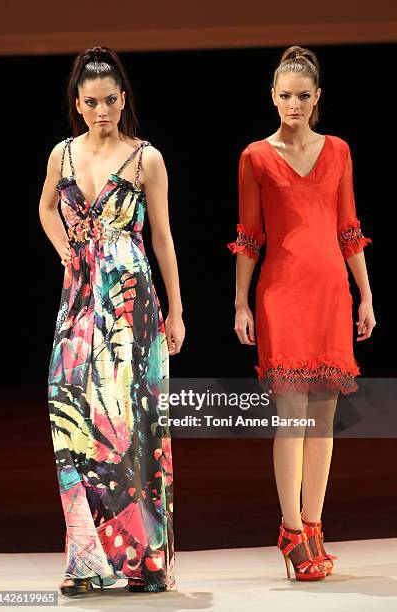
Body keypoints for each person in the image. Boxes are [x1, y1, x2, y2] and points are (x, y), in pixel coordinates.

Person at [39, 46, 185, 596]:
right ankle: (86, 560)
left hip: (130, 304)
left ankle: (144, 560)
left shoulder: (146, 157)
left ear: (123, 100)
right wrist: (65, 252)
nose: (101, 111)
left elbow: (165, 237)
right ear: (78, 104)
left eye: (109, 101)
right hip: (77, 300)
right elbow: (46, 208)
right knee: (70, 414)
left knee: (127, 428)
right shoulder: (64, 156)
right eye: (91, 103)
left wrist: (177, 309)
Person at [227, 45, 375, 581]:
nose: (293, 104)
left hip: (332, 291)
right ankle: (290, 530)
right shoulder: (255, 156)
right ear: (273, 97)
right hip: (281, 295)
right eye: (285, 95)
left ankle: (314, 526)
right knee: (292, 419)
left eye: (303, 96)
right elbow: (249, 235)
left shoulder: (338, 150)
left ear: (317, 99)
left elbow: (348, 227)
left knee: (324, 421)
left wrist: (366, 293)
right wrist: (241, 301)